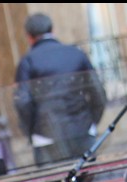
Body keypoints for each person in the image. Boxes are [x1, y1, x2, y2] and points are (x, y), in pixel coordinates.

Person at [14, 13, 106, 165]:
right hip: (82, 129)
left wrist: (31, 130)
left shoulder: (27, 62)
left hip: (45, 136)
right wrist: (91, 121)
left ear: (29, 36)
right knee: (88, 181)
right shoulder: (76, 54)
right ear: (52, 30)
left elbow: (23, 102)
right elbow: (98, 92)